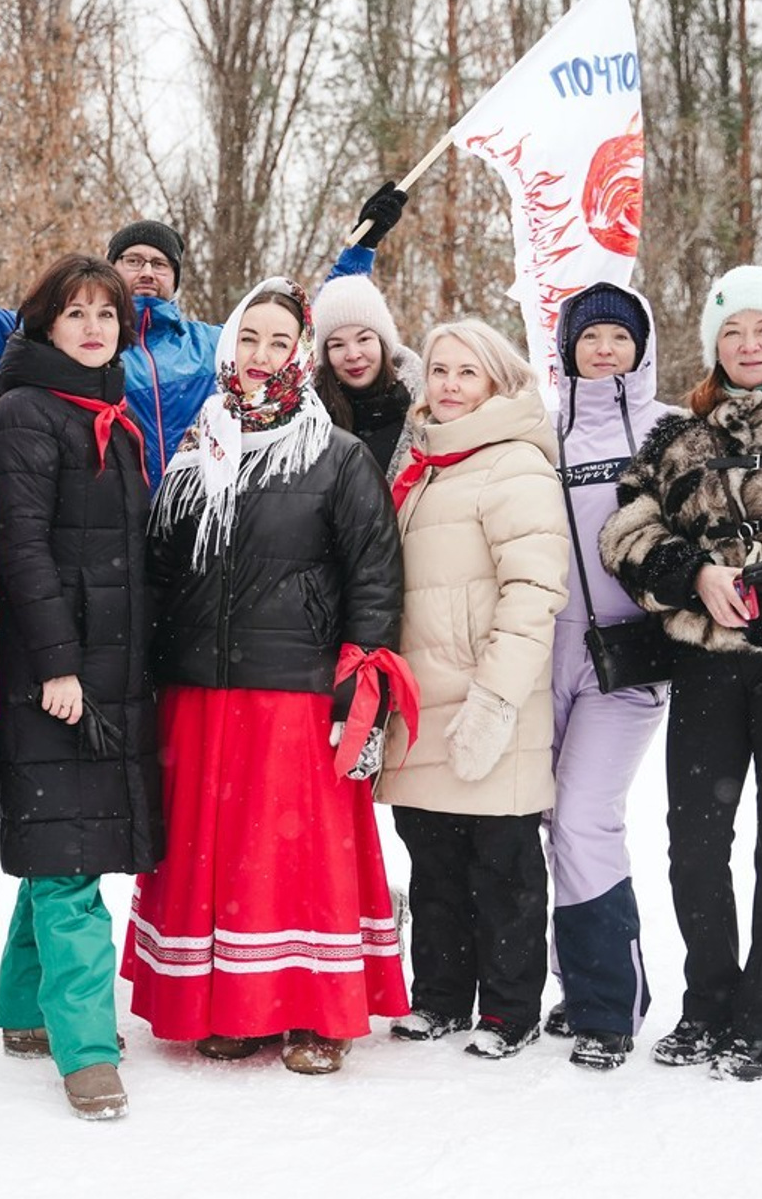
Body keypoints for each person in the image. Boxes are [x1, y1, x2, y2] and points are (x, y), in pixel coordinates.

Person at [122, 277, 408, 1075]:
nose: (260, 356)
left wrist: (359, 684)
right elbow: (163, 569)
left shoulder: (337, 455)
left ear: (302, 354)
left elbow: (375, 580)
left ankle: (317, 1013)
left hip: (296, 687)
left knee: (296, 861)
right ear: (228, 348)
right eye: (248, 339)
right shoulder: (192, 447)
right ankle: (233, 1007)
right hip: (199, 692)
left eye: (279, 342)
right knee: (217, 859)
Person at [0, 153, 408, 489]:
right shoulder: (70, 335)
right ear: (111, 269)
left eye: (160, 263)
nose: (146, 271)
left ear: (175, 278)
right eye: (132, 260)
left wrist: (361, 247)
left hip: (191, 527)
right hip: (100, 533)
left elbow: (297, 333)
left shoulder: (213, 347)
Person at [600, 264, 762, 1082]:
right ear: (715, 345)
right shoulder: (679, 437)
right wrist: (689, 572)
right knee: (694, 843)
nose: (748, 345)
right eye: (732, 331)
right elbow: (624, 527)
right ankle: (707, 1003)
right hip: (708, 666)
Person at [0, 254, 161, 1122]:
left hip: (111, 668)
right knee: (73, 863)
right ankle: (87, 1050)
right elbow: (21, 551)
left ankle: (23, 1009)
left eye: (107, 314)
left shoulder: (113, 418)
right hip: (55, 672)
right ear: (45, 323)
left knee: (64, 842)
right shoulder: (25, 415)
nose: (94, 326)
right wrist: (56, 664)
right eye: (75, 311)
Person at [378, 319, 569, 1060]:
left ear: (497, 380)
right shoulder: (428, 464)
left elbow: (532, 592)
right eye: (439, 371)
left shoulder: (514, 464)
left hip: (491, 699)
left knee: (504, 866)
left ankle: (511, 1009)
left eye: (466, 372)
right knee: (433, 864)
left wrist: (495, 700)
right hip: (424, 702)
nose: (449, 386)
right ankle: (442, 998)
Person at [543, 283, 669, 1071]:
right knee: (542, 818)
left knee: (585, 816)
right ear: (567, 349)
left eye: (620, 338)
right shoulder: (538, 430)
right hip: (540, 651)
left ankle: (606, 1008)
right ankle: (575, 982)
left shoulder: (669, 433)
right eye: (591, 338)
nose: (605, 350)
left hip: (628, 656)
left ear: (641, 348)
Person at [313, 273, 423, 481]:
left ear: (383, 343)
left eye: (363, 339)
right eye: (337, 344)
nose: (353, 354)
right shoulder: (308, 418)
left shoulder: (425, 411)